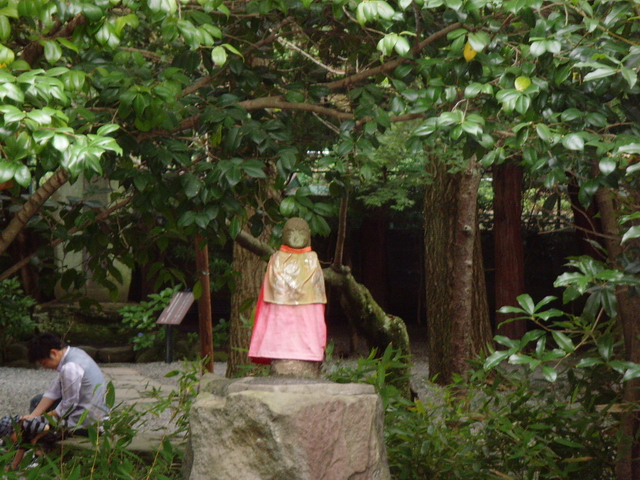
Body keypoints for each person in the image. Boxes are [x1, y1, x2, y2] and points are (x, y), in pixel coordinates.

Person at [2, 332, 108, 470]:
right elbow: (54, 391)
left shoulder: (70, 367)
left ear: (53, 353)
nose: (45, 368)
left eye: (44, 363)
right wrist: (33, 416)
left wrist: (41, 419)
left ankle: (37, 454)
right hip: (89, 410)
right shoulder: (75, 353)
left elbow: (68, 406)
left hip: (86, 422)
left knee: (37, 427)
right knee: (37, 401)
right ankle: (25, 443)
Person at [248, 217, 327, 371]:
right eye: (292, 232)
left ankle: (298, 347)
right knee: (302, 318)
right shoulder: (307, 260)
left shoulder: (305, 259)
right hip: (292, 306)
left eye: (300, 232)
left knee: (301, 317)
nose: (296, 237)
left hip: (288, 303)